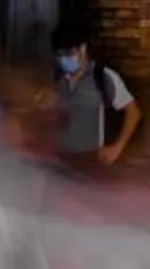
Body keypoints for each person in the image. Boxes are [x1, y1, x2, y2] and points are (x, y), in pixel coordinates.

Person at [49, 33, 141, 172]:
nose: (64, 59)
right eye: (60, 55)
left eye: (69, 54)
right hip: (59, 160)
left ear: (83, 49)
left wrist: (117, 147)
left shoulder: (103, 77)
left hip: (92, 161)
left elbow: (133, 112)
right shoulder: (58, 78)